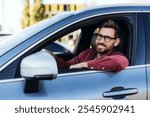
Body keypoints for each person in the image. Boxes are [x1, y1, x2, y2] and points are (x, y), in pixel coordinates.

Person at [46, 20, 129, 72]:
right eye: (99, 36)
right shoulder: (88, 53)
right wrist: (51, 57)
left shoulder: (117, 57)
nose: (101, 41)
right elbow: (67, 66)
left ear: (116, 42)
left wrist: (83, 65)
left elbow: (119, 62)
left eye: (107, 38)